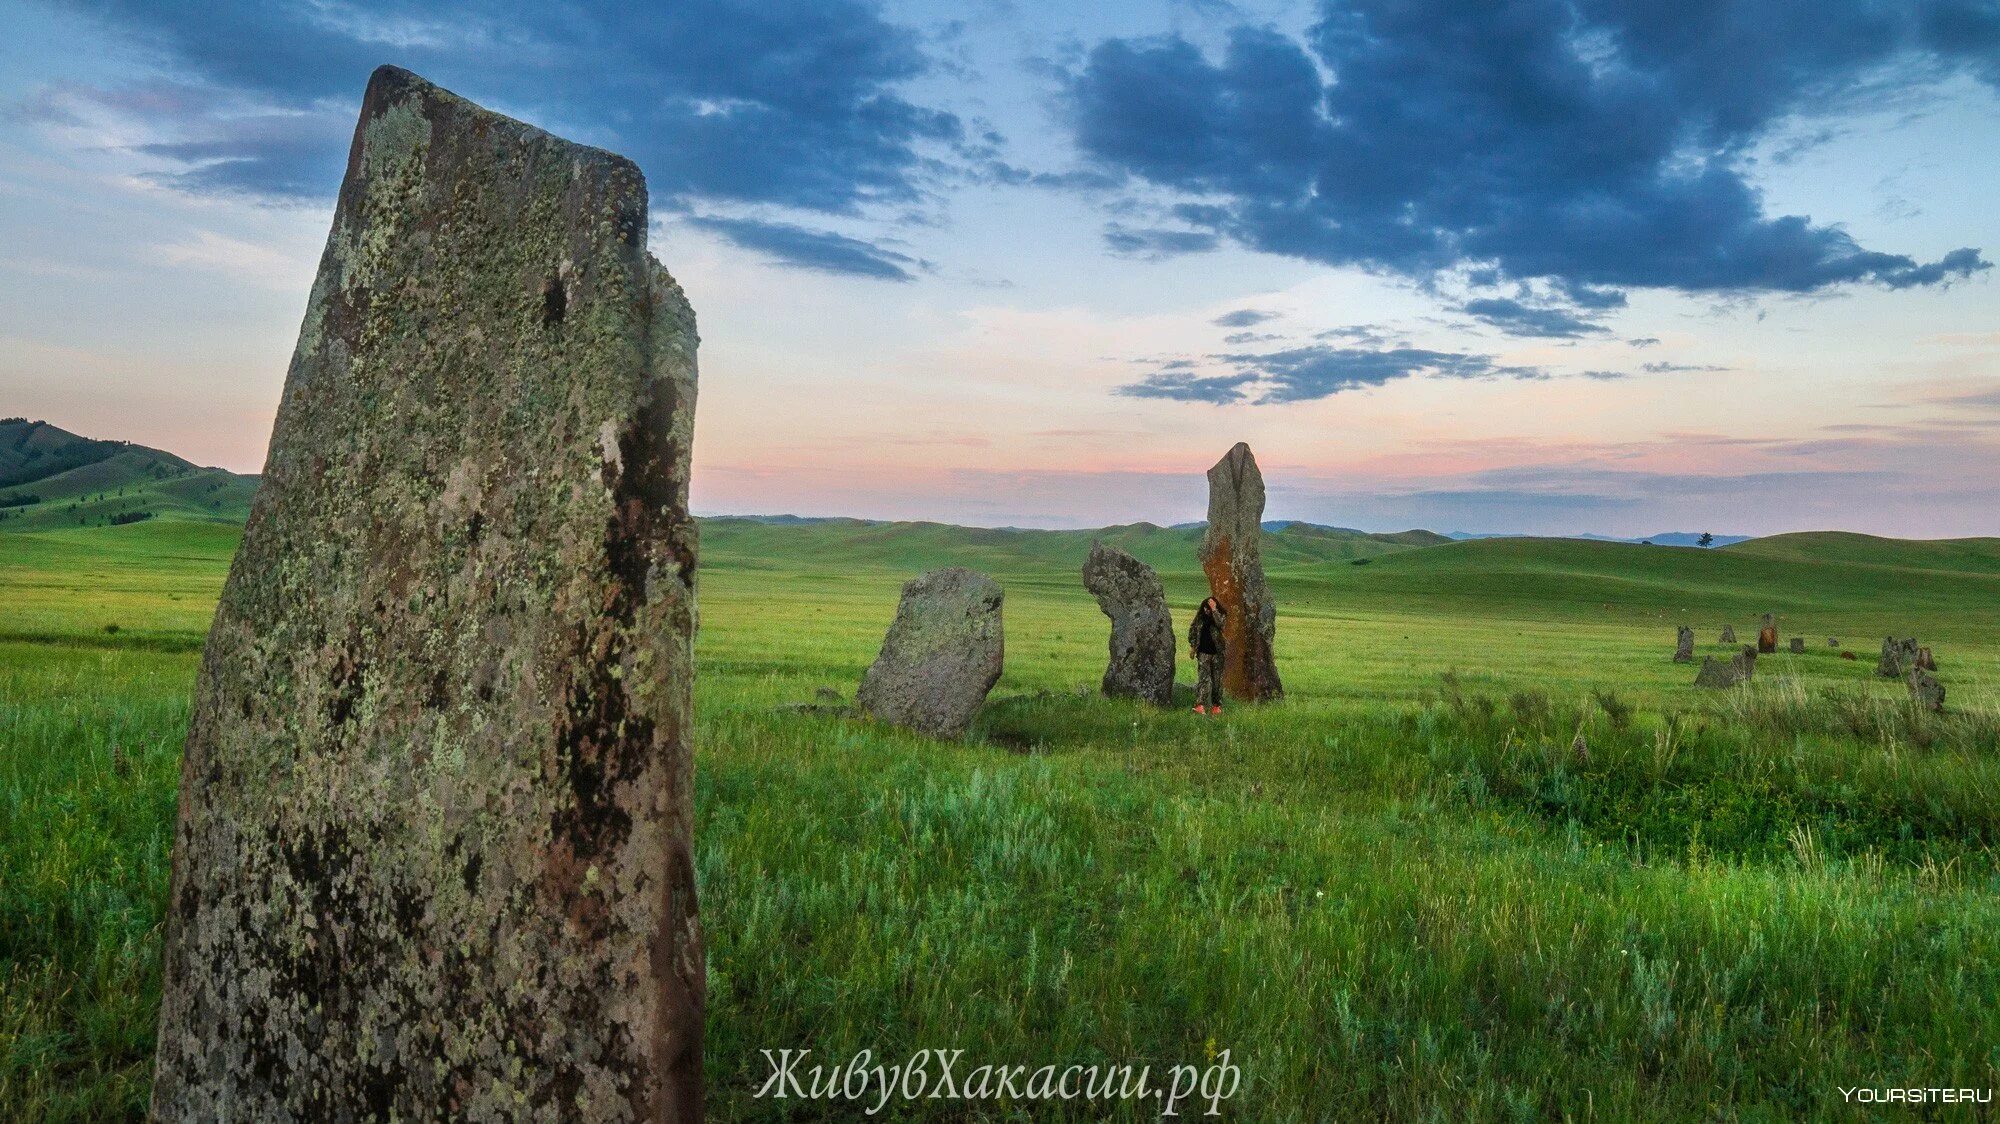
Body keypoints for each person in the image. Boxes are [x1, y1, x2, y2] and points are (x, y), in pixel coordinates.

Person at [1187, 596, 1227, 715]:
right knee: (1203, 680)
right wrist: (1193, 647)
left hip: (1217, 654)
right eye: (1205, 607)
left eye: (1208, 608)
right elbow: (1193, 631)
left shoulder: (1220, 615)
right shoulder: (1200, 618)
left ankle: (1216, 706)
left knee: (1217, 681)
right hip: (1203, 653)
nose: (1206, 610)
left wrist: (1214, 610)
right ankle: (1200, 705)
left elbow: (1221, 625)